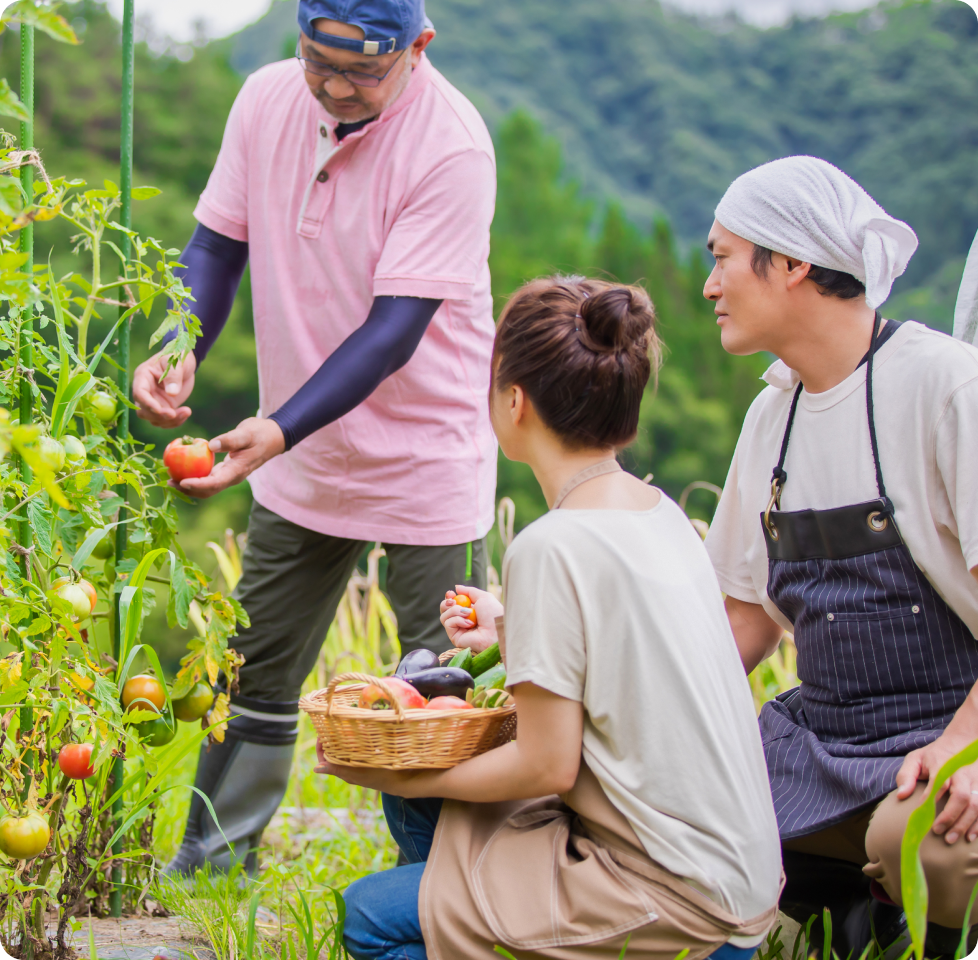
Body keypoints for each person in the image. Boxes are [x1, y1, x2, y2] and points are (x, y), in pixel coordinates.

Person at [133, 0, 498, 876]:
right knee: (252, 664)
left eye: (362, 72)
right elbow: (215, 249)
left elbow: (394, 330)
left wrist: (280, 425)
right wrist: (179, 345)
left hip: (424, 455)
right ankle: (215, 862)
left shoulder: (452, 146)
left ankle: (455, 883)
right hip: (301, 452)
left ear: (419, 47)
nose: (334, 89)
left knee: (441, 685)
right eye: (316, 63)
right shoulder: (264, 101)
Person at [317, 277, 783, 960]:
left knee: (369, 918)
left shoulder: (549, 546)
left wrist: (388, 772)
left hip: (675, 901)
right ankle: (488, 924)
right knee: (423, 809)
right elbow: (623, 660)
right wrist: (512, 628)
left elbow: (547, 765)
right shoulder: (659, 515)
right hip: (735, 878)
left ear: (514, 401)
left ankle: (485, 929)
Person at [702, 156, 978, 958]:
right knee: (684, 808)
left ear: (789, 264)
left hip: (953, 729)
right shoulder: (773, 417)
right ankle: (847, 921)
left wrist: (964, 746)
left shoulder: (943, 386)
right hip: (825, 737)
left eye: (722, 257)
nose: (711, 285)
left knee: (922, 839)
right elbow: (745, 618)